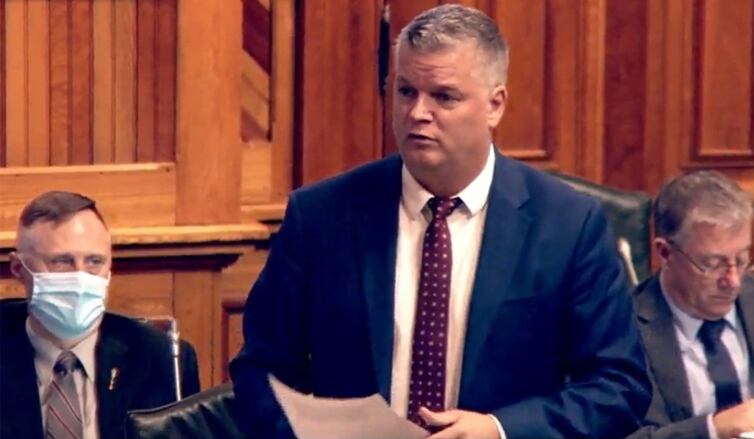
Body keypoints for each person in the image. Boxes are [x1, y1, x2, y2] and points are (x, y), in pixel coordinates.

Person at [230, 4, 650, 438]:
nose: (417, 113)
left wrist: (501, 430)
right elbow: (261, 372)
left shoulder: (567, 226)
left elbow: (618, 387)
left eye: (443, 97)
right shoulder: (321, 216)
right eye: (406, 91)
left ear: (495, 105)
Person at [0, 191, 201, 439]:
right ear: (18, 268)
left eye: (94, 261)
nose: (81, 276)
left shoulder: (159, 357)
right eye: (62, 262)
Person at [627, 171, 754, 439]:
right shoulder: (624, 329)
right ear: (665, 252)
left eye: (742, 259)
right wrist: (712, 429)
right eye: (711, 264)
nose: (732, 281)